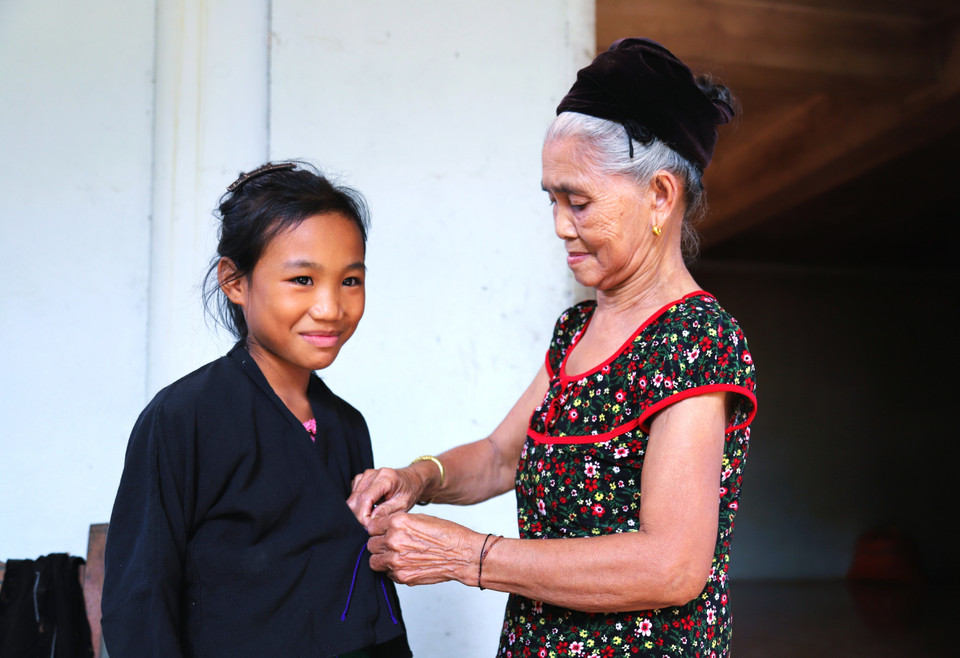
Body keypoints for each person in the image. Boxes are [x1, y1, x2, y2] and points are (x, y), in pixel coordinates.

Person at [347, 39, 757, 657]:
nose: (561, 224)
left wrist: (470, 556)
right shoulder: (576, 331)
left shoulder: (696, 340)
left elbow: (672, 565)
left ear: (661, 197)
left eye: (580, 201)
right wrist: (417, 479)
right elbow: (499, 457)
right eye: (553, 199)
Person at [101, 162, 411, 658]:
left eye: (350, 280)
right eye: (303, 279)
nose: (331, 307)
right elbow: (140, 600)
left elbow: (364, 593)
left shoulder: (347, 425)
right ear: (235, 282)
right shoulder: (184, 418)